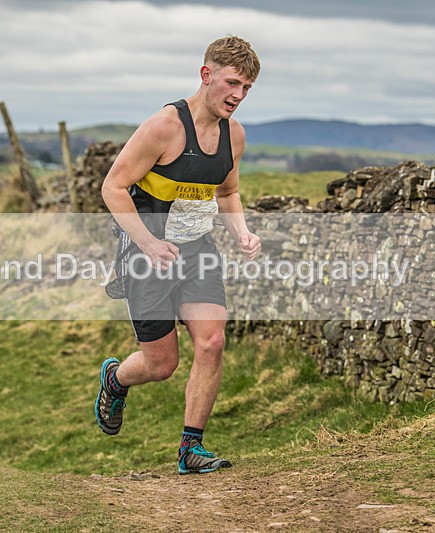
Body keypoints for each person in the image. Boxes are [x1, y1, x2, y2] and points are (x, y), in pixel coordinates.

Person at [95, 36, 261, 474]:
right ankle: (115, 379)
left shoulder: (235, 135)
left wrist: (242, 232)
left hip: (198, 252)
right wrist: (148, 243)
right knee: (161, 363)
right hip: (145, 254)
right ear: (206, 75)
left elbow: (228, 191)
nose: (238, 96)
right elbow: (112, 188)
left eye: (246, 88)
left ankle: (191, 448)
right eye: (232, 83)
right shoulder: (164, 127)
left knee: (212, 341)